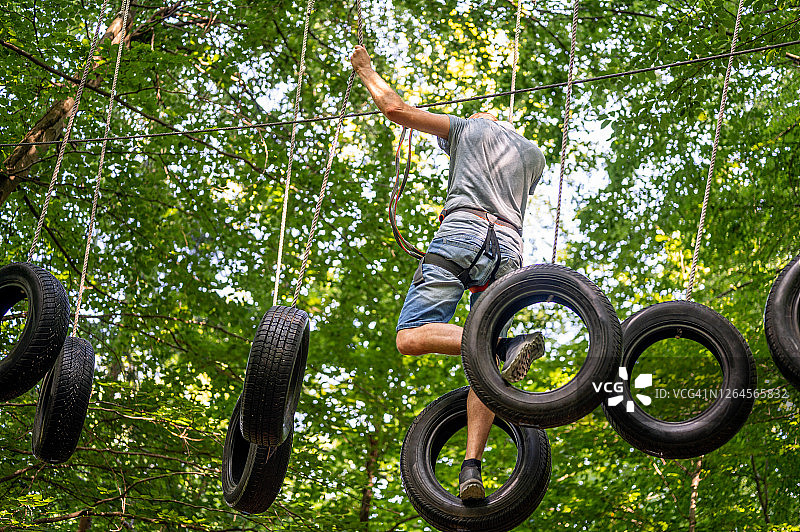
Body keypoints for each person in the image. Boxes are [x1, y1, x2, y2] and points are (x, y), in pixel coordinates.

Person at [350, 45, 546, 501]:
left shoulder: (469, 127)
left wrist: (366, 69)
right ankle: (471, 469)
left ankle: (500, 345)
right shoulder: (533, 157)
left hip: (464, 231)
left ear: (484, 118)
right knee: (485, 372)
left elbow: (394, 108)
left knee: (410, 336)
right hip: (510, 250)